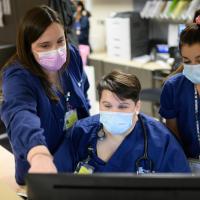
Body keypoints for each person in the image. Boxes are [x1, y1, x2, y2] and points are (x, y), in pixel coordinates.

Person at [0, 5, 90, 185]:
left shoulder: (71, 55)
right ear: (28, 47)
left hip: (77, 160)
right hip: (42, 171)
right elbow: (20, 115)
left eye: (60, 41)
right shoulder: (18, 77)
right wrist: (38, 154)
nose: (56, 50)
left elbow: (83, 95)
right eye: (44, 45)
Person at [54, 70, 190, 174]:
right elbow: (56, 179)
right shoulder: (81, 133)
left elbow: (182, 189)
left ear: (137, 106)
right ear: (99, 103)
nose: (114, 112)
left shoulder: (161, 141)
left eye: (123, 107)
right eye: (107, 106)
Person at [159, 14, 200, 158]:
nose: (194, 66)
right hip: (188, 162)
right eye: (187, 61)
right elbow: (173, 132)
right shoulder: (173, 88)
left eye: (199, 60)